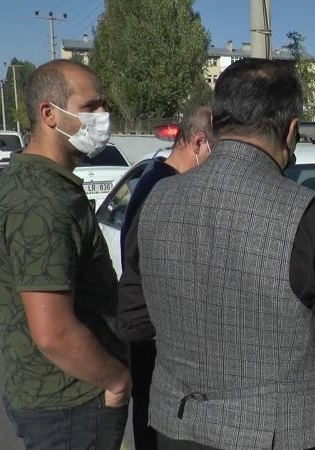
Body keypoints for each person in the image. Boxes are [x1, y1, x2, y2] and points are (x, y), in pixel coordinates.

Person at [137, 58, 315, 450]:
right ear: (291, 130)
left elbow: (135, 319)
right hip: (277, 435)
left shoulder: (157, 197)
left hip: (177, 426)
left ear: (218, 122)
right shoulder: (309, 215)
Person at [0, 59, 129, 449]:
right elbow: (54, 333)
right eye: (90, 108)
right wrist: (115, 380)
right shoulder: (43, 202)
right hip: (70, 405)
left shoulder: (35, 183)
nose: (103, 117)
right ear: (49, 114)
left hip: (57, 401)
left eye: (104, 106)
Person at [117, 106, 214, 450]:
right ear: (199, 142)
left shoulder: (158, 176)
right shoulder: (165, 187)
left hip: (146, 318)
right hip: (148, 325)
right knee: (154, 421)